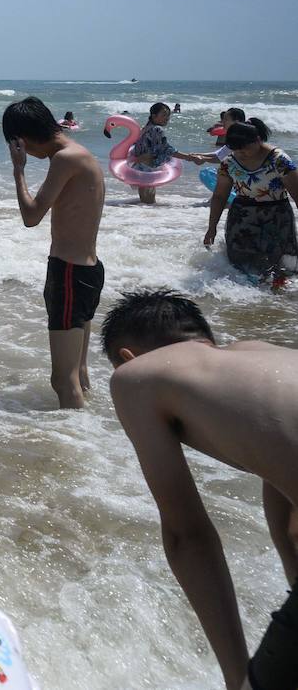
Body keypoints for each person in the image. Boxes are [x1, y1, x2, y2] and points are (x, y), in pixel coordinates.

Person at [101, 291, 298, 690]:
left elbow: (186, 535)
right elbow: (289, 526)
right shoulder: (265, 357)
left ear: (127, 357)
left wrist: (238, 678)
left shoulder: (136, 378)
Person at [3, 97, 106, 409]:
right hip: (88, 269)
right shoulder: (79, 153)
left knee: (63, 380)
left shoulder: (65, 158)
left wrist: (18, 170)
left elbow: (31, 216)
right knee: (79, 372)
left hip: (70, 274)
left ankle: (76, 448)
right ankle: (93, 438)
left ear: (23, 138)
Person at [205, 119, 297, 285]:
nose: (240, 153)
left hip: (276, 216)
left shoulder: (279, 160)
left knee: (280, 267)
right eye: (236, 149)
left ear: (257, 140)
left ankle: (276, 302)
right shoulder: (229, 163)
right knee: (241, 266)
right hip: (242, 216)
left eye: (244, 148)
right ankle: (249, 305)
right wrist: (212, 227)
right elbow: (219, 197)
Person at [130, 102, 206, 204]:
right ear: (154, 116)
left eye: (168, 115)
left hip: (140, 167)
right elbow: (167, 149)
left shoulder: (144, 128)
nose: (167, 118)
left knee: (144, 200)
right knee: (150, 201)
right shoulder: (157, 129)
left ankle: (142, 216)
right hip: (149, 167)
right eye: (164, 115)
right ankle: (149, 218)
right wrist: (189, 157)